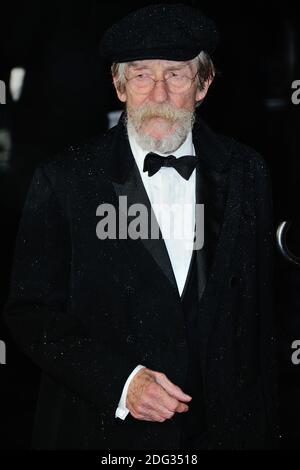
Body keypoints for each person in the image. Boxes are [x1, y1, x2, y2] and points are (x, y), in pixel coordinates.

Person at [3, 4, 279, 450]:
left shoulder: (247, 172)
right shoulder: (64, 180)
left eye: (176, 75)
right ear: (119, 85)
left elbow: (259, 317)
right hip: (103, 433)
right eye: (142, 76)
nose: (159, 95)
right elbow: (30, 312)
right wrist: (121, 383)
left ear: (204, 84)